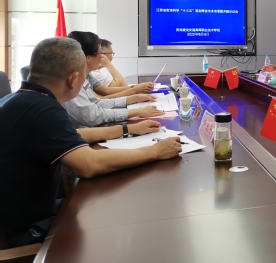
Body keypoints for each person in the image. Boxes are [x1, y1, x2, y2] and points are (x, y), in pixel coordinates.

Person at [0, 37, 182, 247]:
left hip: (19, 215)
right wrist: (155, 151)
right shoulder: (44, 109)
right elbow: (89, 165)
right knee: (122, 216)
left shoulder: (19, 100)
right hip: (22, 230)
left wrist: (128, 128)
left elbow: (75, 134)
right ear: (73, 79)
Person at [63, 31, 160, 128]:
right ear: (88, 58)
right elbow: (92, 117)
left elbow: (97, 102)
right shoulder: (73, 80)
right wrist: (135, 112)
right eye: (100, 53)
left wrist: (135, 98)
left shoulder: (86, 75)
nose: (102, 56)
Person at [89, 38, 154, 98]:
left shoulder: (91, 74)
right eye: (112, 53)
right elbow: (121, 86)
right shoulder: (94, 74)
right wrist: (109, 65)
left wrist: (137, 87)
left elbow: (108, 90)